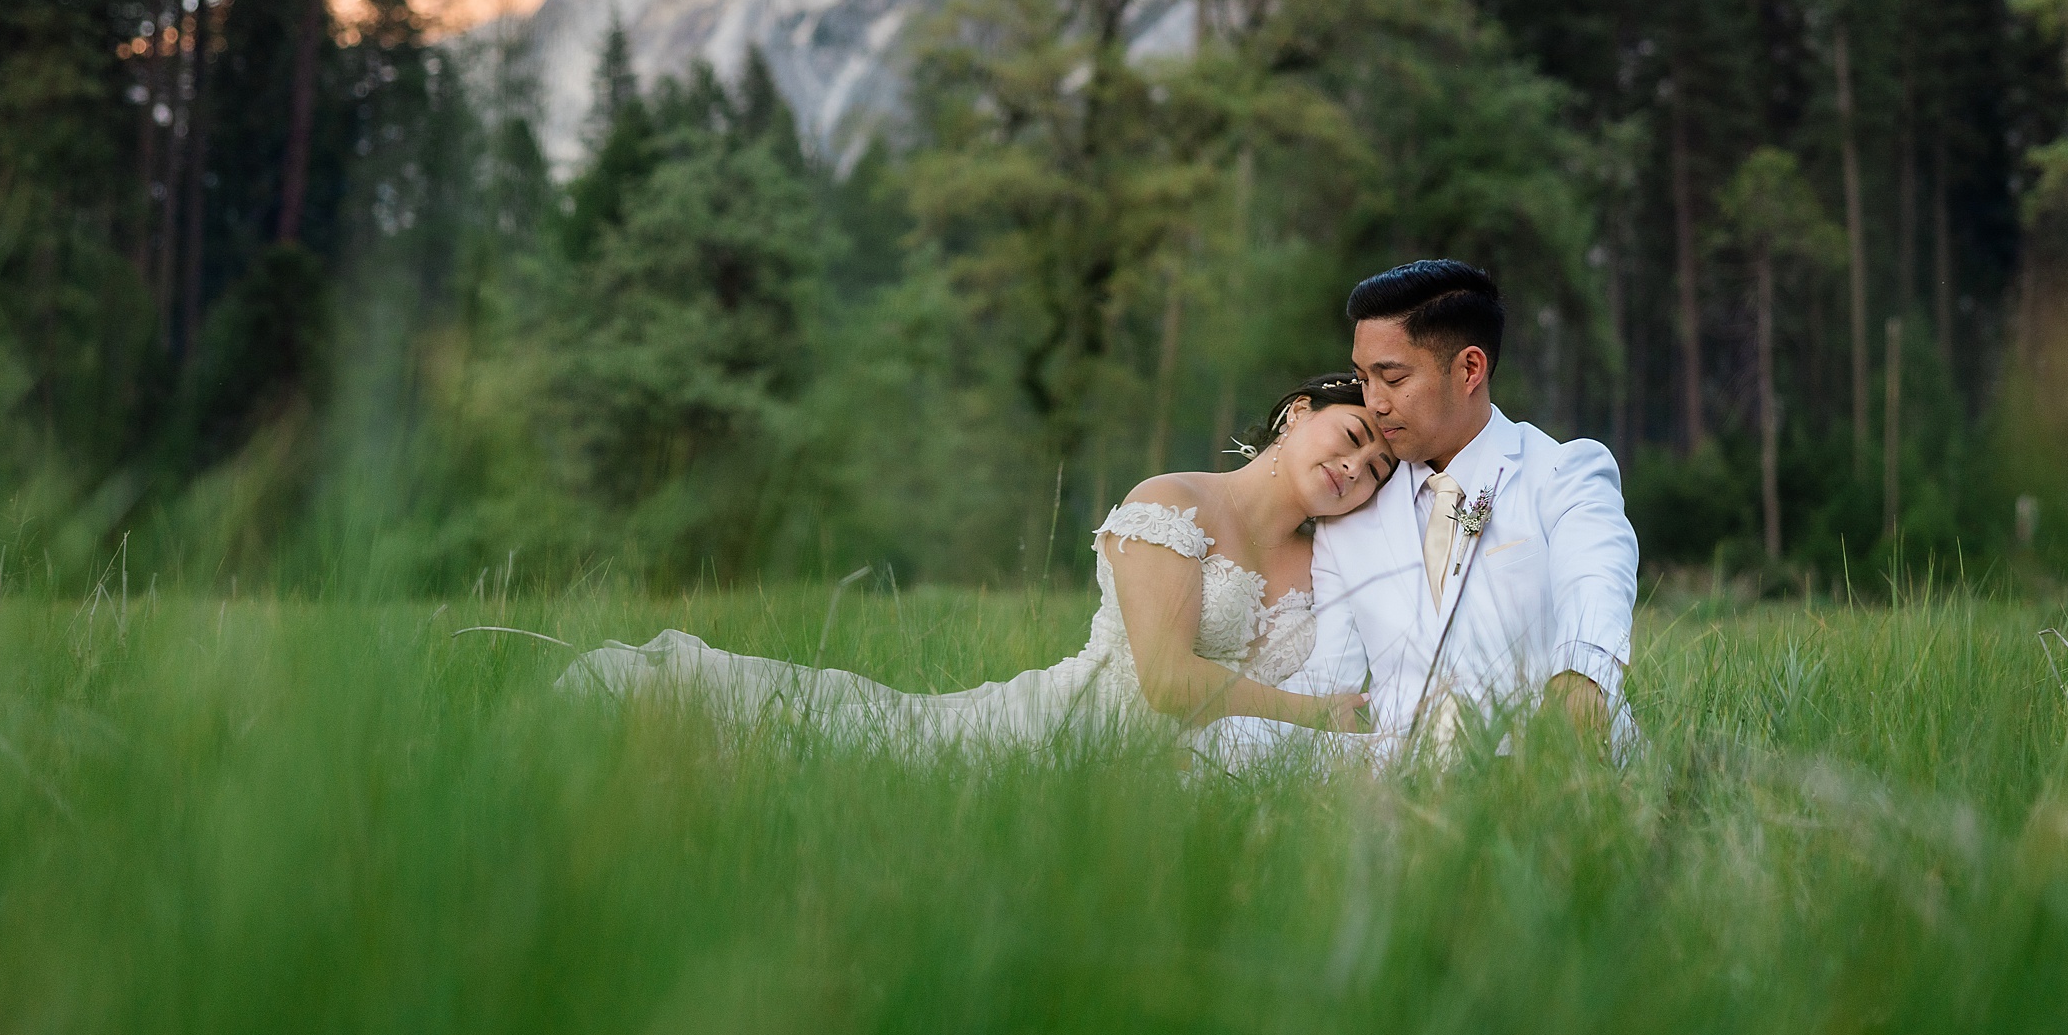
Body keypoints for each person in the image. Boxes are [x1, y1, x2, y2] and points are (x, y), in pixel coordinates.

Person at [557, 378, 1395, 753]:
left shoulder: (1330, 559)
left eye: (1376, 472)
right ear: (1297, 412)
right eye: (1352, 436)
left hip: (1182, 786)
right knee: (843, 741)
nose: (1356, 467)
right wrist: (1312, 713)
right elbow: (1168, 683)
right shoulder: (1173, 502)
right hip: (1057, 735)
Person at [1255, 259, 1641, 764]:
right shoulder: (1349, 517)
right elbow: (1331, 679)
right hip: (1399, 780)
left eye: (1392, 378)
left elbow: (1596, 584)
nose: (1374, 402)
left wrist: (1579, 681)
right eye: (1362, 378)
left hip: (1548, 766)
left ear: (1469, 369)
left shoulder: (1562, 473)